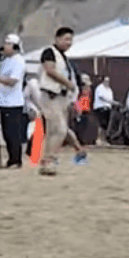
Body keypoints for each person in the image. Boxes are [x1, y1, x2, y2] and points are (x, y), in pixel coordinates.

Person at [35, 27, 88, 175]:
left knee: (56, 130)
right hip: (51, 95)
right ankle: (50, 159)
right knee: (59, 129)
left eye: (70, 40)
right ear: (57, 38)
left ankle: (48, 161)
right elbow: (50, 70)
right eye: (66, 39)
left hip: (62, 97)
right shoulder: (49, 52)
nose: (68, 42)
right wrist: (68, 83)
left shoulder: (64, 58)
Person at [0, 34, 27, 169]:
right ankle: (11, 158)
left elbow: (13, 80)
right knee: (6, 133)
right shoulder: (5, 60)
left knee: (12, 132)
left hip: (13, 102)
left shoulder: (18, 61)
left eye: (8, 44)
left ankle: (16, 160)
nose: (4, 46)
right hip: (3, 101)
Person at [92, 76, 114, 145]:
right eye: (106, 80)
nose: (107, 82)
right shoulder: (100, 88)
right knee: (102, 124)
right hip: (101, 107)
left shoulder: (109, 89)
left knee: (106, 125)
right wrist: (111, 102)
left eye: (108, 81)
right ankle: (99, 139)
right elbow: (101, 97)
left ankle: (103, 140)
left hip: (107, 108)